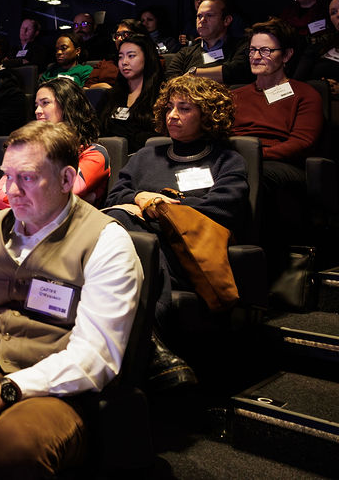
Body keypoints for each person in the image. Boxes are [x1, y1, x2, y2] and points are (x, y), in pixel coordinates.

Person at [0, 121, 141, 478]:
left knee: (18, 446)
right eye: (7, 177)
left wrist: (3, 391)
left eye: (28, 178)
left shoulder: (107, 243)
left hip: (54, 389)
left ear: (66, 180)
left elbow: (95, 357)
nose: (11, 191)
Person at [105, 75, 248, 329]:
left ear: (207, 115)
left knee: (123, 223)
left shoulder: (226, 160)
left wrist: (161, 207)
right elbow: (116, 196)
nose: (172, 115)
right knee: (115, 220)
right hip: (137, 247)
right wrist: (140, 197)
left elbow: (223, 208)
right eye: (169, 107)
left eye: (184, 108)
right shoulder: (147, 155)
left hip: (186, 253)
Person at [232, 18, 323, 254]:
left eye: (265, 50)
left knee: (256, 175)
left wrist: (256, 156)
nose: (256, 56)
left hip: (279, 164)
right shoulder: (235, 95)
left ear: (287, 55)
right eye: (252, 49)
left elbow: (302, 143)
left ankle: (247, 250)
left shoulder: (305, 94)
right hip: (236, 159)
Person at [0, 78, 110, 208]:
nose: (37, 111)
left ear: (67, 106)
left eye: (45, 103)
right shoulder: (30, 151)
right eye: (36, 105)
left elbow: (63, 194)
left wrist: (21, 200)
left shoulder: (94, 154)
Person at [165, 0, 253, 85]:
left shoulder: (242, 47)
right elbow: (172, 81)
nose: (202, 20)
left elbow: (239, 71)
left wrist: (194, 74)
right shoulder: (185, 53)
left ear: (226, 20)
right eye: (199, 16)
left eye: (209, 15)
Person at [100, 33, 165, 153]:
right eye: (120, 57)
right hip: (112, 160)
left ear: (147, 57)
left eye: (131, 56)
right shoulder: (110, 96)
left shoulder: (162, 95)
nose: (124, 62)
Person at [294, 0, 339, 97]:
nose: (338, 15)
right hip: (313, 104)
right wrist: (321, 86)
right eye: (333, 12)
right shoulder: (319, 47)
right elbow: (296, 83)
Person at [85, 19, 146, 89]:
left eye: (126, 34)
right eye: (117, 35)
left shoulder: (153, 61)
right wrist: (103, 87)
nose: (119, 39)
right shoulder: (104, 64)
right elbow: (86, 88)